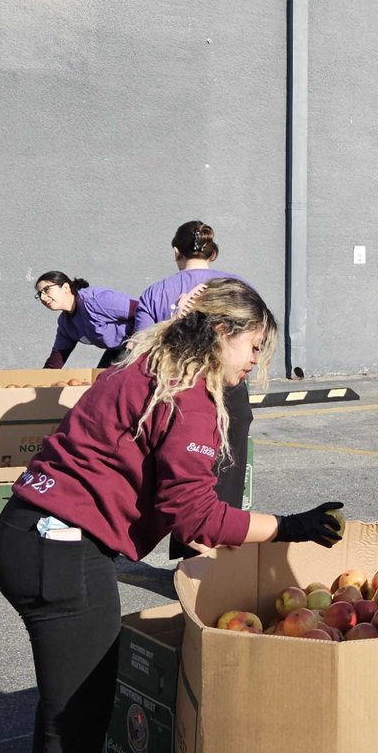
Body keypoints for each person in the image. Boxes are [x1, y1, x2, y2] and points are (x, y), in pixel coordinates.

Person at [0, 277, 343, 753]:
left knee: (65, 705)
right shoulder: (191, 394)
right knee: (77, 720)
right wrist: (289, 526)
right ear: (221, 330)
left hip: (28, 532)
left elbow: (179, 507)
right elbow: (195, 514)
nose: (253, 362)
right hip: (63, 551)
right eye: (253, 347)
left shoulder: (146, 366)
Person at [134, 221, 254, 557]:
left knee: (181, 472)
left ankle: (188, 552)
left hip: (179, 389)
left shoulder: (155, 293)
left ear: (176, 252)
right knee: (226, 469)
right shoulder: (237, 287)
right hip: (229, 386)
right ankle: (218, 550)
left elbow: (140, 348)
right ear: (213, 252)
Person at [34, 271, 138, 369]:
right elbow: (56, 360)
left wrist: (133, 344)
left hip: (145, 341)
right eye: (39, 294)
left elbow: (144, 311)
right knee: (101, 382)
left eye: (46, 289)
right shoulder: (65, 324)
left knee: (116, 379)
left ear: (65, 287)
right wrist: (39, 382)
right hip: (118, 348)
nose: (43, 297)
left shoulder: (96, 300)